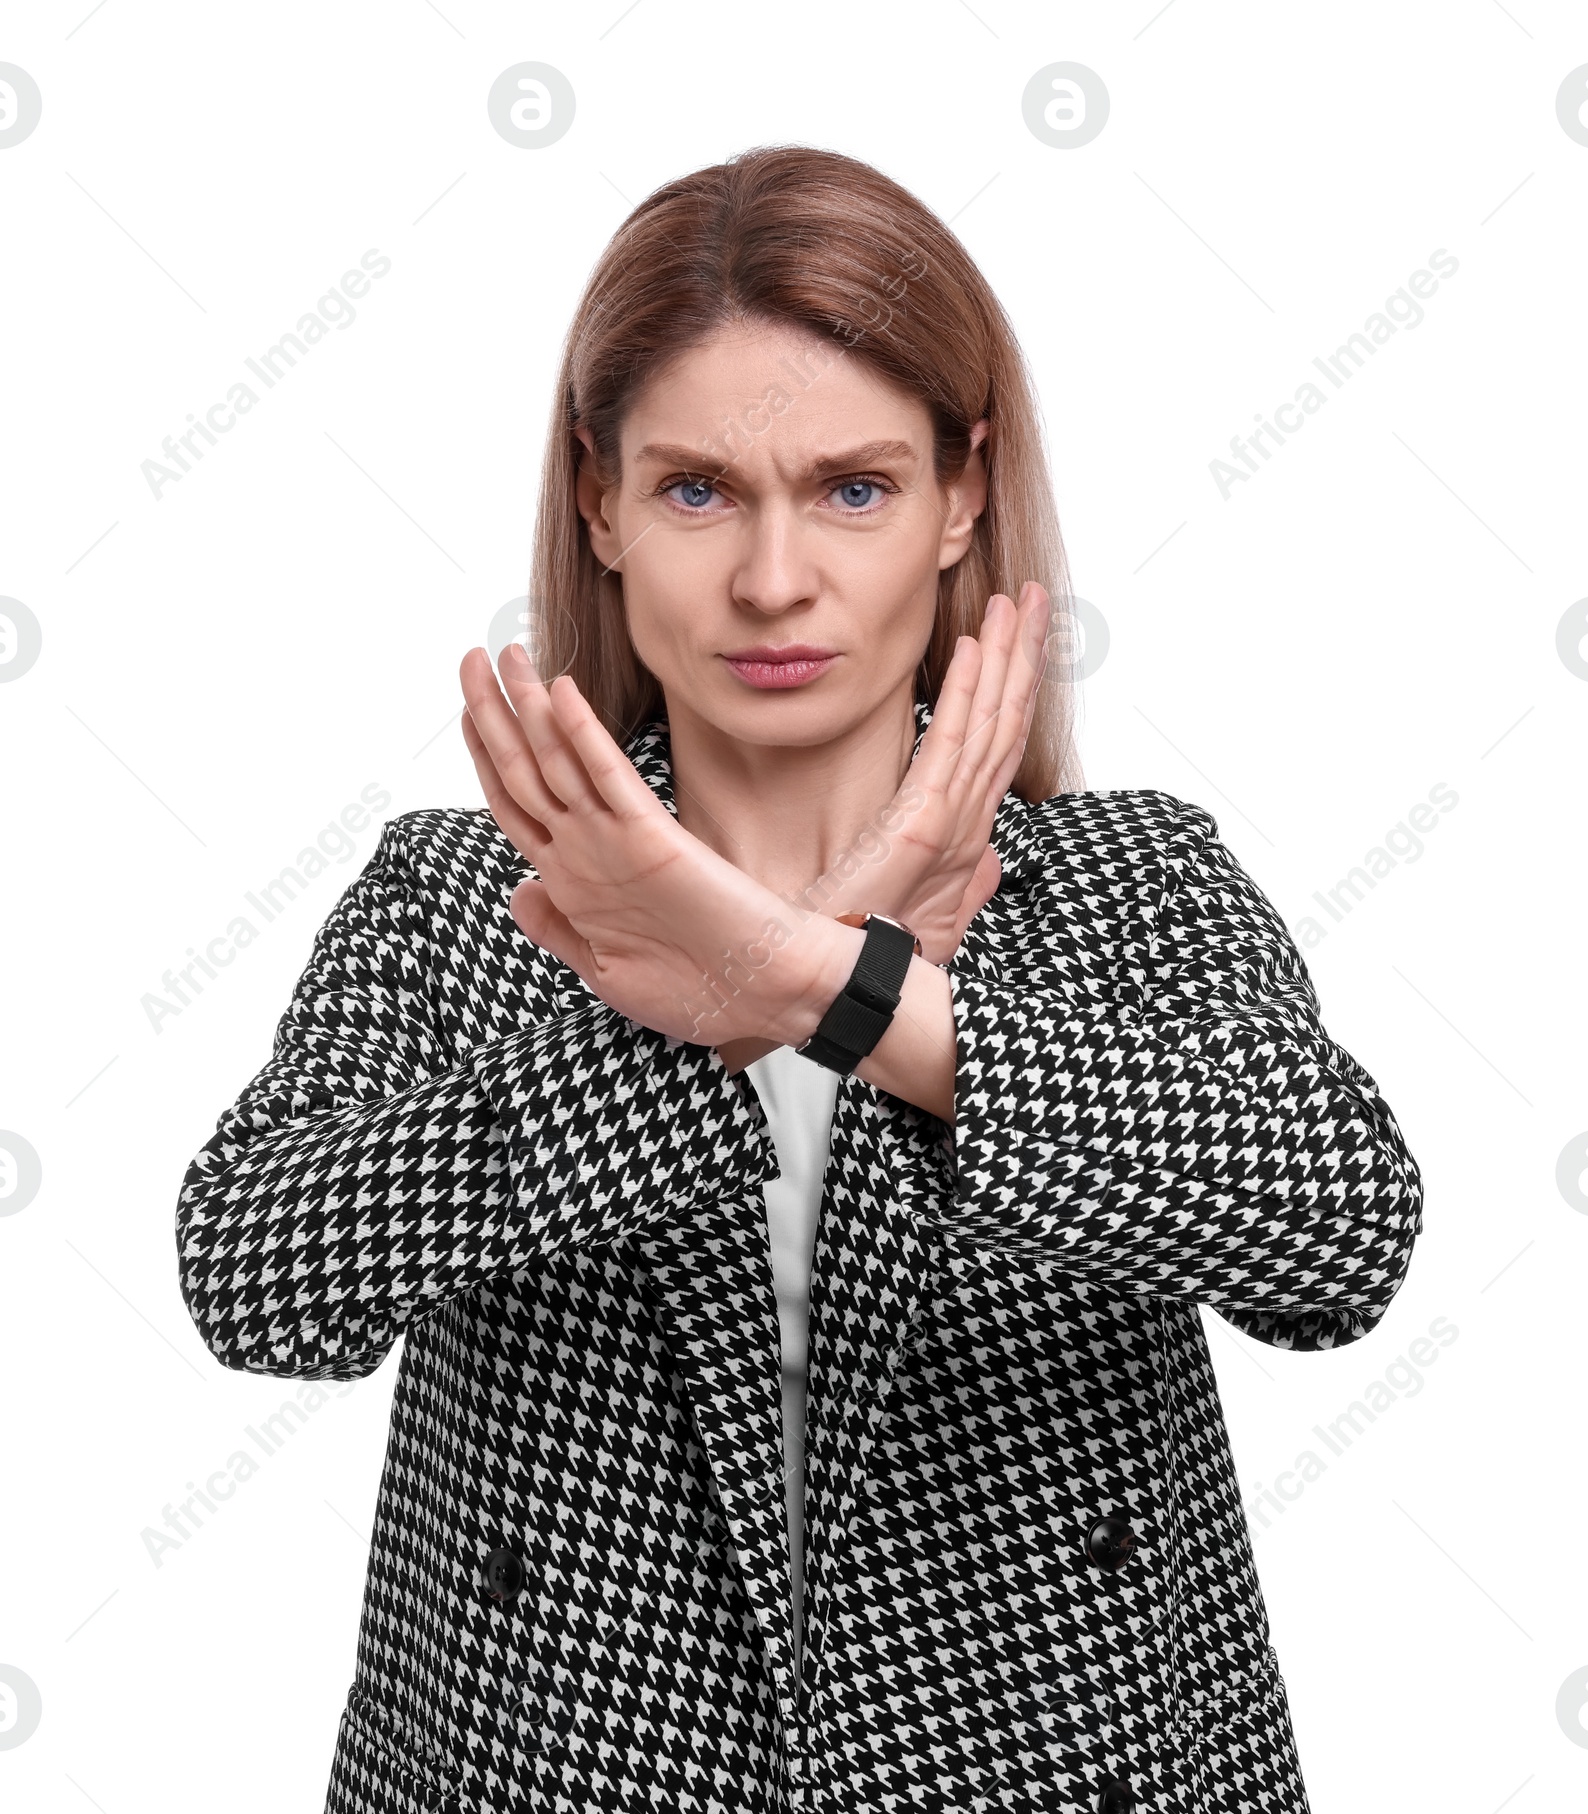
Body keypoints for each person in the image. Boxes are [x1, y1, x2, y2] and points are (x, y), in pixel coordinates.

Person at [175, 146, 1423, 1814]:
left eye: (853, 487)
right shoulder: (460, 895)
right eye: (699, 489)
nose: (775, 579)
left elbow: (1340, 1230)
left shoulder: (1136, 878)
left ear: (963, 495)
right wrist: (702, 1024)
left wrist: (835, 985)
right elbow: (258, 1279)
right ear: (600, 499)